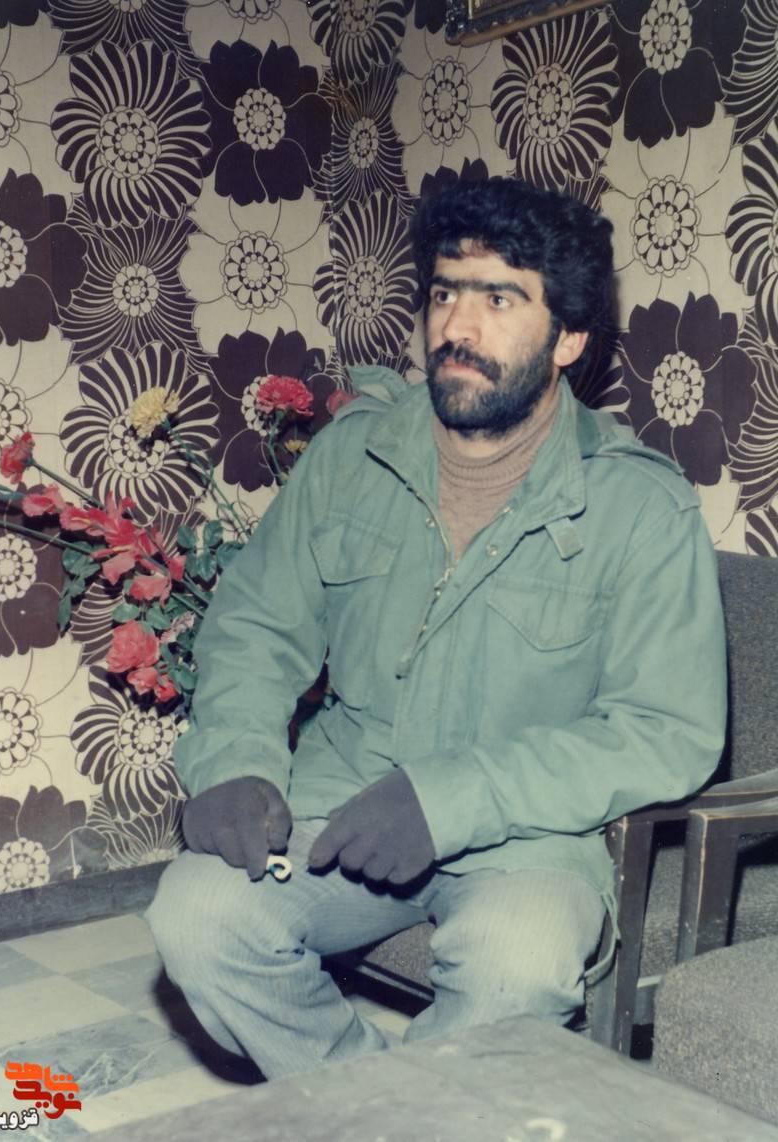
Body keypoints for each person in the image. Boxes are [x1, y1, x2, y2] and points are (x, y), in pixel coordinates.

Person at [146, 177, 727, 1080]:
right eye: (446, 291)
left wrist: (450, 797)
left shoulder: (641, 507)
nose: (457, 325)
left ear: (569, 337)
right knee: (197, 918)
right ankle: (370, 1110)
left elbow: (668, 730)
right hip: (345, 795)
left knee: (517, 964)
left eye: (500, 299)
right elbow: (257, 623)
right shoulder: (352, 453)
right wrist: (234, 760)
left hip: (528, 831)